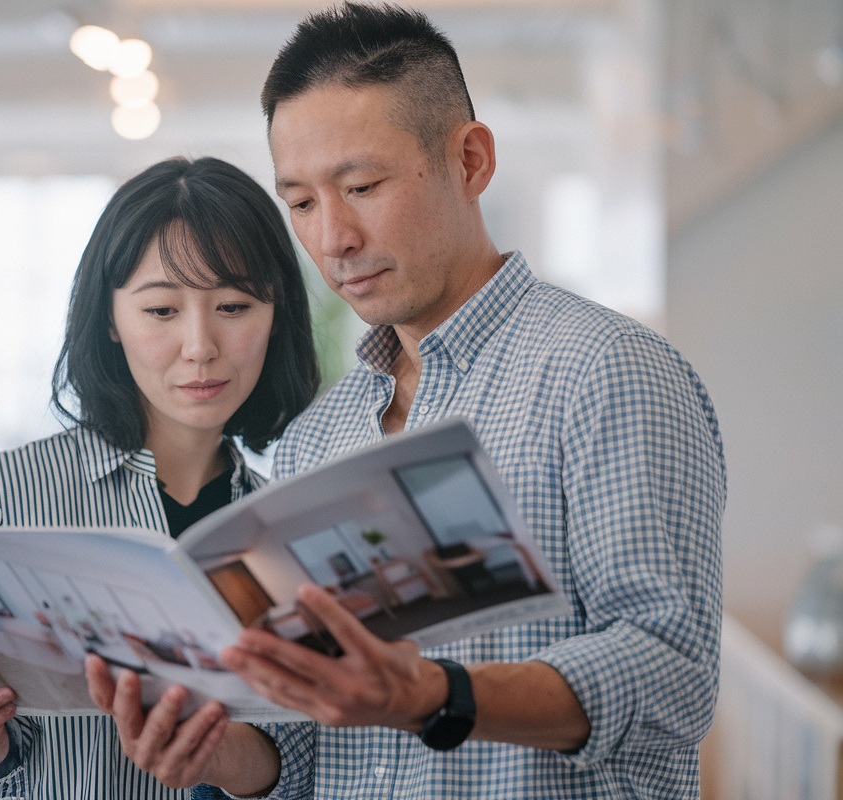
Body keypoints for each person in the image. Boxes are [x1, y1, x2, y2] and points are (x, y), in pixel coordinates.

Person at [99, 4, 726, 799]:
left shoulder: (606, 372)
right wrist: (219, 753)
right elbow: (308, 750)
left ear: (470, 161)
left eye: (361, 186)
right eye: (301, 203)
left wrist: (435, 695)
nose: (333, 239)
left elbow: (672, 674)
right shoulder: (317, 437)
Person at [0, 155, 320, 800]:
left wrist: (217, 754)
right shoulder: (6, 496)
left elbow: (301, 763)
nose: (200, 345)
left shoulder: (286, 523)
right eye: (161, 310)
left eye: (234, 305)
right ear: (110, 319)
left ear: (276, 315)